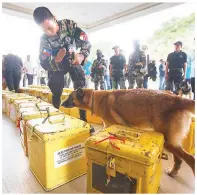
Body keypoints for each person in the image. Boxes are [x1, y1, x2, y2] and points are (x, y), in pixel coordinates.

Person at [33, 7, 91, 122]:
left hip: (72, 59)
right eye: (45, 30)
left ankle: (84, 119)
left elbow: (86, 42)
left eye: (49, 27)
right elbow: (43, 62)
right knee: (56, 87)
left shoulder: (69, 25)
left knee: (80, 86)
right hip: (58, 65)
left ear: (54, 19)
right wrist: (56, 61)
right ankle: (55, 116)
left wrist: (81, 55)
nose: (49, 33)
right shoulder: (44, 39)